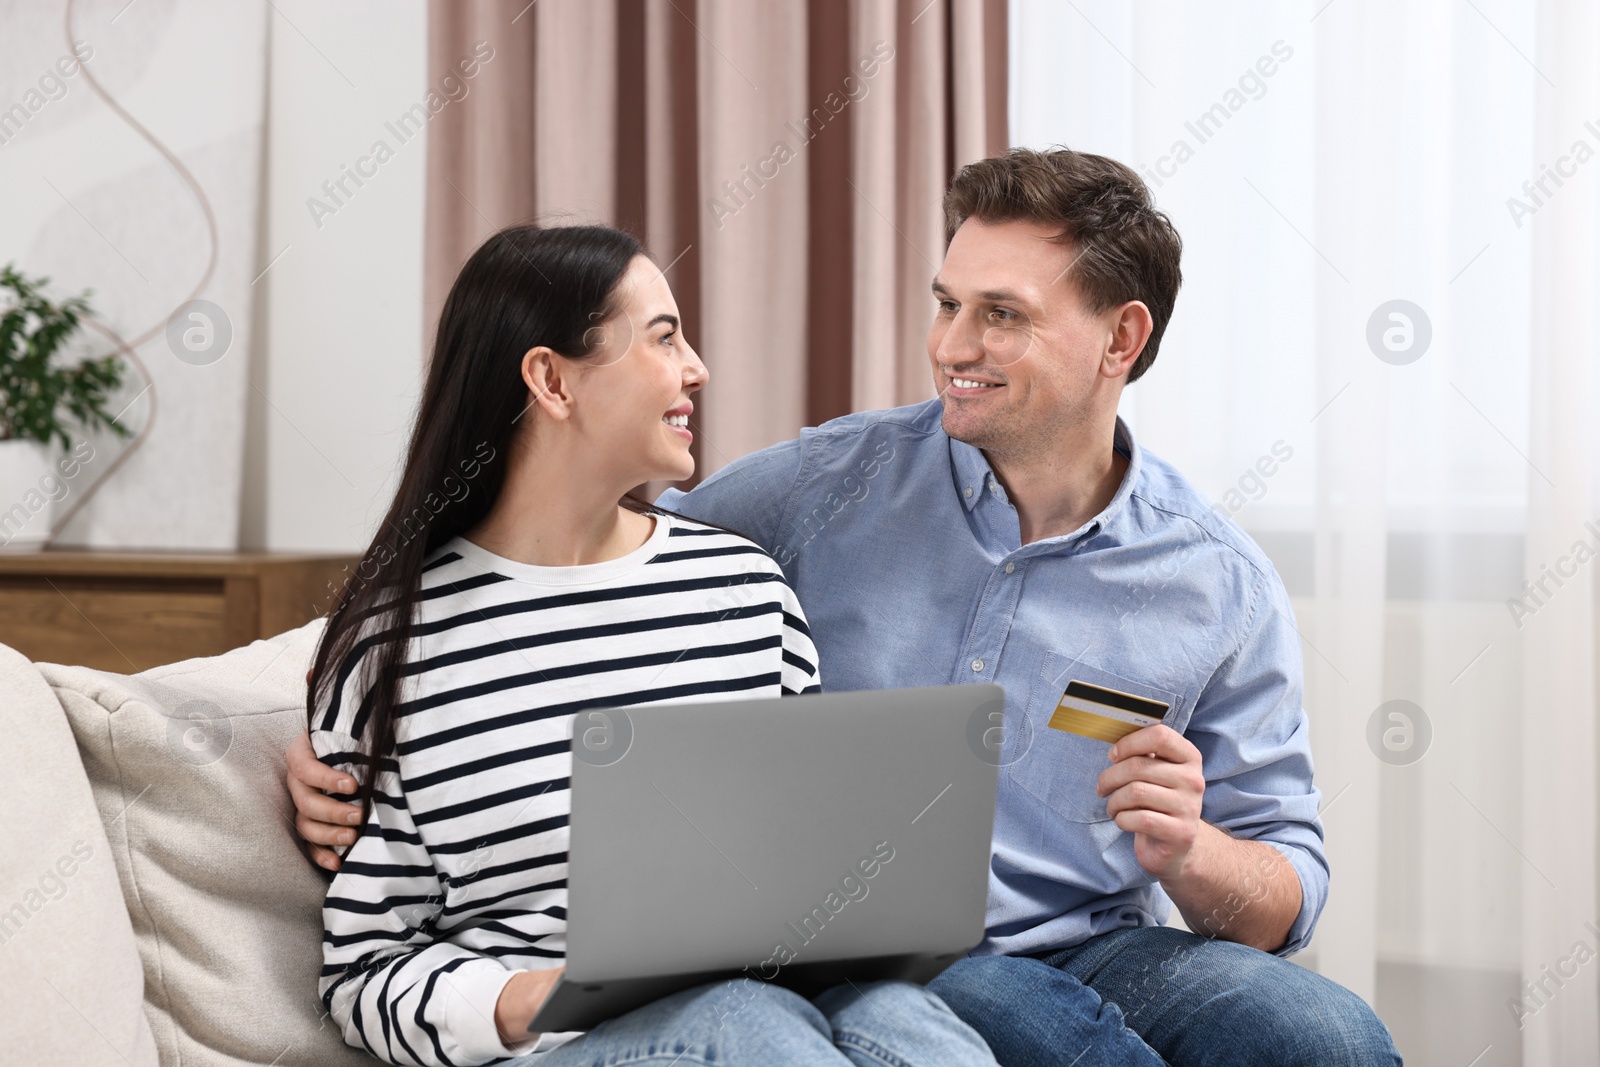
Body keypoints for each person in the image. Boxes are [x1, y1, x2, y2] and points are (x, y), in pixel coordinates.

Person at [291, 148, 1400, 1065]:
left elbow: (1285, 879)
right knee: (913, 1019)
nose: (951, 347)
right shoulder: (814, 492)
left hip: (1069, 941)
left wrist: (1190, 849)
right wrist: (338, 717)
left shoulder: (1215, 580)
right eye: (947, 303)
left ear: (1121, 340)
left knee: (1323, 1035)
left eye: (1000, 315)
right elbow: (562, 549)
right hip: (869, 962)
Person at [303, 222, 1003, 1067]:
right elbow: (365, 968)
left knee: (904, 1020)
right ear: (551, 379)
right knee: (743, 1026)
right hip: (566, 1047)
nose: (697, 368)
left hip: (765, 1005)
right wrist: (533, 992)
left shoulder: (745, 590)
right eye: (665, 337)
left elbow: (813, 869)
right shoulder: (394, 647)